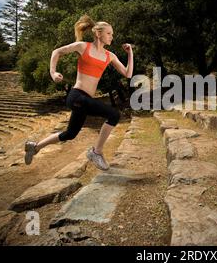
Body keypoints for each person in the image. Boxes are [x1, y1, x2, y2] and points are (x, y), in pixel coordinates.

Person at [24, 15, 134, 170]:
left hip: (85, 100)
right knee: (114, 115)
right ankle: (97, 152)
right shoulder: (83, 46)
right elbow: (57, 52)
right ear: (98, 34)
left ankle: (34, 147)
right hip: (77, 96)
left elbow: (128, 74)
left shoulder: (110, 56)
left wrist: (130, 53)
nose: (112, 37)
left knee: (70, 133)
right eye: (109, 33)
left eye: (112, 34)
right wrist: (53, 73)